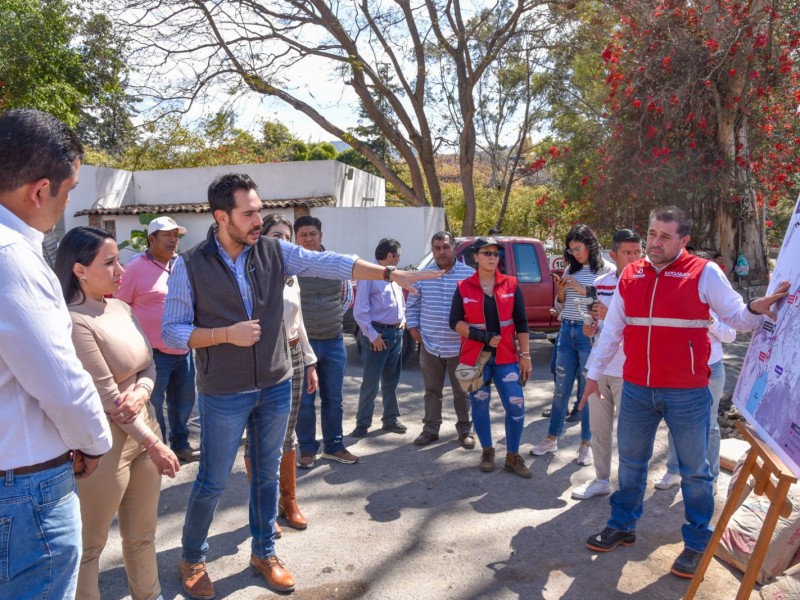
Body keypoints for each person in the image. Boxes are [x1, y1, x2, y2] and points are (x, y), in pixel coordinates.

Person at [162, 173, 440, 598]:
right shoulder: (190, 264)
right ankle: (192, 557)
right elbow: (174, 331)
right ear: (222, 217)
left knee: (267, 475)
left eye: (259, 210)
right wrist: (223, 335)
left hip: (275, 383)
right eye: (249, 213)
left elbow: (331, 263)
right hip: (223, 392)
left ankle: (264, 552)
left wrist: (387, 274)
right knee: (213, 481)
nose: (258, 219)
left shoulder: (274, 251)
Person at [581, 205, 789, 578]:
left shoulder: (704, 272)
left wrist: (757, 307)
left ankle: (696, 543)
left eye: (665, 236)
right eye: (652, 234)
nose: (654, 242)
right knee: (630, 461)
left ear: (684, 240)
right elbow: (613, 330)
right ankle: (623, 525)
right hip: (638, 389)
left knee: (695, 471)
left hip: (688, 391)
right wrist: (593, 374)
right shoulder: (631, 273)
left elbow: (738, 319)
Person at [0, 108, 112, 600]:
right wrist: (92, 442)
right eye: (68, 191)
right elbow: (61, 383)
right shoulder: (13, 258)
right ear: (40, 191)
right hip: (25, 488)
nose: (67, 203)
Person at [55, 226, 180, 600]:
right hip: (104, 449)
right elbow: (108, 398)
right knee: (89, 548)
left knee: (142, 537)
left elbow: (150, 364)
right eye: (109, 263)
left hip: (145, 433)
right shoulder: (75, 321)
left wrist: (142, 389)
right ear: (79, 270)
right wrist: (156, 443)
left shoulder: (122, 307)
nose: (121, 271)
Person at [243, 213, 319, 533]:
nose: (283, 242)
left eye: (287, 237)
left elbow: (298, 322)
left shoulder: (291, 275)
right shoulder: (249, 272)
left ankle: (289, 501)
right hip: (259, 356)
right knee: (259, 435)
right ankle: (264, 507)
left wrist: (310, 360)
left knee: (289, 432)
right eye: (276, 235)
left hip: (293, 353)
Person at [116, 216, 199, 463]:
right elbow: (120, 305)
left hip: (183, 348)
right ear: (151, 239)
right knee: (153, 403)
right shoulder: (135, 267)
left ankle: (181, 444)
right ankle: (159, 447)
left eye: (176, 236)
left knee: (184, 402)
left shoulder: (182, 264)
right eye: (167, 235)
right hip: (153, 353)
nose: (173, 240)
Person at [450, 237, 532, 477]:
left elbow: (522, 323)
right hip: (476, 359)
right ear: (475, 256)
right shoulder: (463, 286)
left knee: (516, 406)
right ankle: (487, 450)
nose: (492, 257)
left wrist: (525, 356)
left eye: (496, 254)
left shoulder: (511, 284)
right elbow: (454, 322)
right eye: (486, 253)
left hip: (506, 357)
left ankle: (513, 455)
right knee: (480, 403)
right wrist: (481, 336)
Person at [531, 225, 612, 464]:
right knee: (560, 388)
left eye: (579, 248)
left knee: (588, 391)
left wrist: (584, 289)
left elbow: (608, 304)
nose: (575, 253)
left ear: (591, 245)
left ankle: (586, 445)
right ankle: (551, 438)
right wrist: (562, 291)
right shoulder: (570, 269)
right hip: (566, 330)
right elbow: (561, 307)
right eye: (571, 249)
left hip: (590, 334)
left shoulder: (606, 270)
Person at [571, 229, 642, 500]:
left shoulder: (647, 283)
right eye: (628, 252)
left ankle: (628, 488)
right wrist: (591, 326)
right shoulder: (600, 282)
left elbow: (643, 327)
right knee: (600, 432)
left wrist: (610, 315)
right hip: (600, 369)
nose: (635, 257)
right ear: (613, 255)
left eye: (638, 252)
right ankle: (601, 480)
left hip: (630, 373)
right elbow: (596, 323)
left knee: (629, 435)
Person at [293, 215, 358, 468]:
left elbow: (345, 298)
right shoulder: (291, 266)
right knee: (305, 402)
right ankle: (307, 449)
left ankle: (335, 446)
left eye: (313, 234)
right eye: (303, 235)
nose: (309, 239)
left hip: (333, 341)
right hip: (302, 345)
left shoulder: (334, 263)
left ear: (321, 236)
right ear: (296, 238)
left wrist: (329, 320)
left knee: (334, 399)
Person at [407, 231, 476, 448]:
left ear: (453, 247)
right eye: (437, 248)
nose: (441, 252)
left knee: (463, 390)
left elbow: (476, 307)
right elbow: (412, 305)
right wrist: (413, 329)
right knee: (432, 391)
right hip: (430, 344)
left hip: (460, 346)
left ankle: (465, 430)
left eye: (445, 247)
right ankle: (430, 430)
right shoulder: (422, 276)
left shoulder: (469, 275)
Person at [654, 310, 735, 493]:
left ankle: (711, 477)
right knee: (676, 420)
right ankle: (674, 470)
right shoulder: (680, 294)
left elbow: (730, 336)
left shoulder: (716, 297)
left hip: (711, 367)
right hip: (680, 367)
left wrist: (711, 320)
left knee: (710, 423)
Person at [351, 238, 408, 437]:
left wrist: (403, 318)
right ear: (390, 256)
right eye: (398, 255)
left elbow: (399, 299)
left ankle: (390, 419)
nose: (400, 259)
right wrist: (373, 336)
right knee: (371, 381)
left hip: (396, 333)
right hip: (379, 335)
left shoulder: (393, 275)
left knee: (392, 380)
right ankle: (362, 423)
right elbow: (360, 311)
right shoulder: (369, 276)